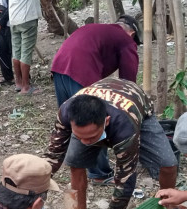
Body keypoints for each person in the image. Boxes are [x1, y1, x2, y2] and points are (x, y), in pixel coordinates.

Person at [46, 77, 179, 209]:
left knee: (168, 163)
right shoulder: (66, 112)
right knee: (75, 163)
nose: (86, 142)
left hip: (133, 105)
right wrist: (35, 187)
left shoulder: (125, 126)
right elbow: (53, 155)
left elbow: (125, 179)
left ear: (106, 122)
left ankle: (170, 207)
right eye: (80, 136)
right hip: (102, 97)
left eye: (91, 137)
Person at [51, 15, 142, 186]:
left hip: (59, 67)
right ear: (132, 33)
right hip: (81, 70)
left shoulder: (99, 30)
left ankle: (61, 161)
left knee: (72, 118)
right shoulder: (126, 40)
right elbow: (128, 81)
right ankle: (98, 173)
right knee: (94, 119)